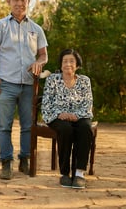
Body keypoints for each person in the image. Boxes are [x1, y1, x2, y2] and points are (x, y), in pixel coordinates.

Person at [0, 0, 48, 180]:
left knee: (28, 126)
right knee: (4, 126)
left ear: (28, 2)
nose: (20, 3)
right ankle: (6, 162)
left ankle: (24, 160)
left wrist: (39, 62)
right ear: (9, 2)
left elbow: (43, 55)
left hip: (29, 85)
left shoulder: (36, 29)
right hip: (6, 84)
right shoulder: (0, 26)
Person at [41, 49, 93, 189]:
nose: (68, 64)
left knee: (85, 128)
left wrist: (76, 115)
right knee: (65, 129)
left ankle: (79, 173)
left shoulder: (84, 81)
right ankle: (65, 173)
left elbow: (88, 103)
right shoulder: (53, 80)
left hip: (80, 115)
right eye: (65, 61)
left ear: (77, 65)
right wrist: (60, 113)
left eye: (71, 61)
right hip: (57, 116)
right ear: (60, 64)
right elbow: (47, 102)